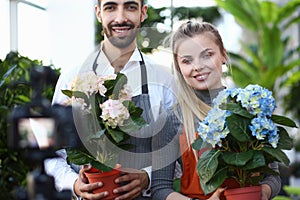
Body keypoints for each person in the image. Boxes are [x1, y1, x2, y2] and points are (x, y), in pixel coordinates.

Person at [45, 0, 176, 199]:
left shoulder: (163, 80)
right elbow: (51, 155)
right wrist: (74, 184)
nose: (120, 18)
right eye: (110, 7)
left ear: (143, 13)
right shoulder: (71, 78)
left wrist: (148, 177)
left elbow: (178, 156)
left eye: (130, 7)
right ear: (99, 13)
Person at [151, 21, 281, 200]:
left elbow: (272, 176)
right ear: (179, 68)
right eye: (187, 61)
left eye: (207, 55)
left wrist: (262, 193)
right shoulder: (172, 119)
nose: (197, 66)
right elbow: (160, 189)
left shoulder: (250, 110)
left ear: (223, 56)